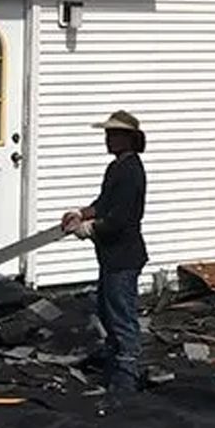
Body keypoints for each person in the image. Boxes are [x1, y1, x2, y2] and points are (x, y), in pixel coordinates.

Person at [62, 110, 148, 399]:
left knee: (122, 317)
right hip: (111, 257)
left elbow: (119, 219)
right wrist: (82, 213)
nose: (108, 139)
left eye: (113, 135)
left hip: (124, 257)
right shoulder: (116, 169)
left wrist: (87, 229)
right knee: (108, 313)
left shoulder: (132, 171)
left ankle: (126, 381)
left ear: (128, 138)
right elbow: (104, 203)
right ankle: (114, 374)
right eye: (107, 134)